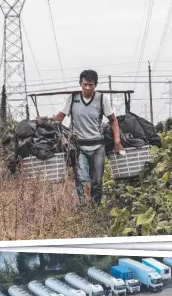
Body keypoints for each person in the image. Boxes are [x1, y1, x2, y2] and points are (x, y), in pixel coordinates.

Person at [52, 69, 123, 206]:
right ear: (80, 84)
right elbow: (59, 117)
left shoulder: (101, 99)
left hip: (97, 146)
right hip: (79, 147)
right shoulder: (73, 99)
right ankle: (83, 206)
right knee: (81, 178)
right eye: (85, 84)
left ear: (95, 85)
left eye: (91, 85)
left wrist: (117, 141)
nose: (87, 88)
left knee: (96, 180)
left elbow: (113, 120)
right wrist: (44, 121)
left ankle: (95, 208)